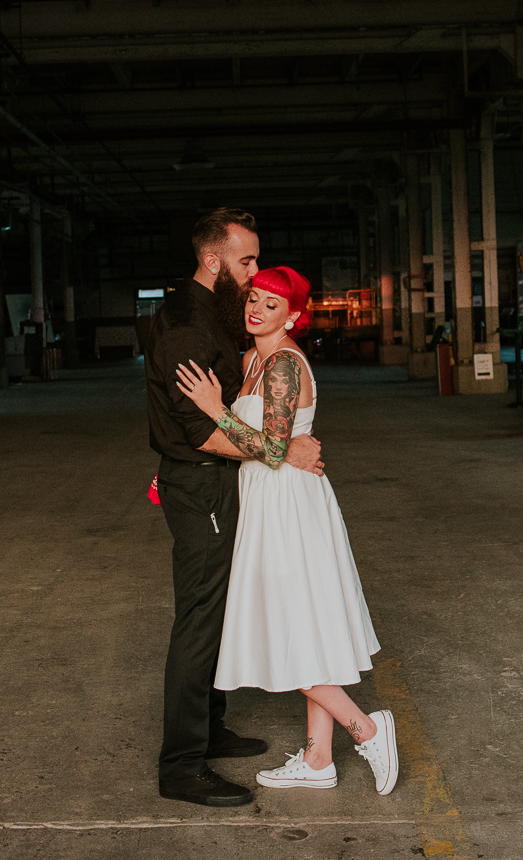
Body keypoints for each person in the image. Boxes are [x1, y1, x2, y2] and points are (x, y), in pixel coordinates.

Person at [175, 266, 400, 796]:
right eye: (253, 299)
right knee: (305, 625)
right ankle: (319, 759)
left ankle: (366, 729)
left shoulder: (281, 364)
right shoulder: (251, 359)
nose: (256, 309)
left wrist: (213, 411)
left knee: (280, 625)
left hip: (285, 503)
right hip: (264, 498)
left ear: (293, 316)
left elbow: (275, 450)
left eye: (271, 305)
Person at [146, 209, 325, 808]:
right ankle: (182, 766)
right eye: (247, 261)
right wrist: (282, 453)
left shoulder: (216, 313)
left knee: (219, 611)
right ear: (214, 260)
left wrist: (278, 445)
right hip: (201, 484)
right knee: (199, 619)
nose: (254, 276)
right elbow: (199, 430)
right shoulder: (186, 327)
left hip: (226, 482)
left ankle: (209, 726)